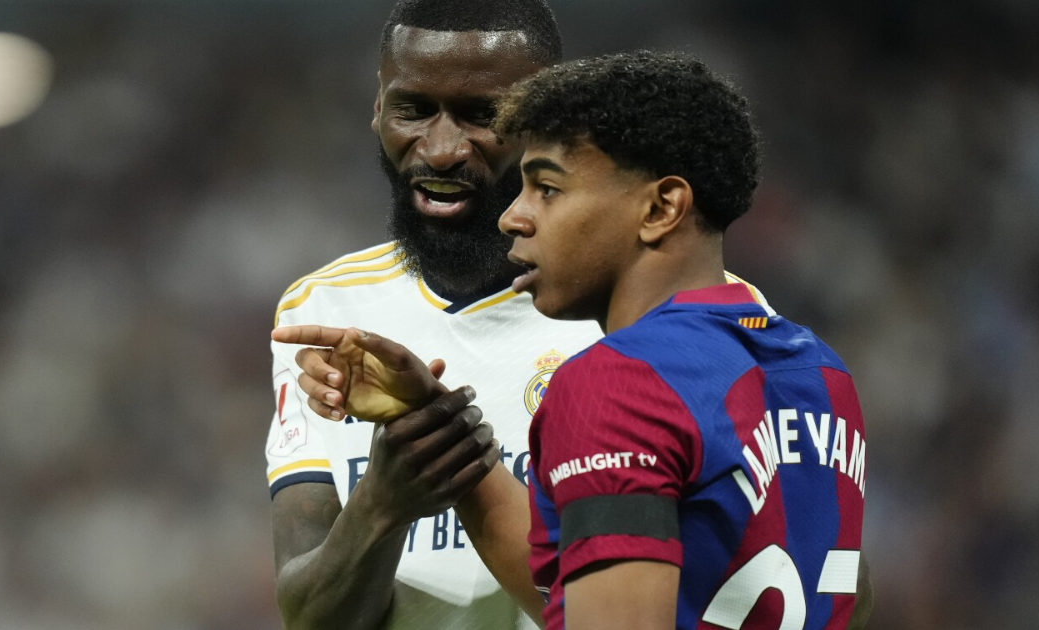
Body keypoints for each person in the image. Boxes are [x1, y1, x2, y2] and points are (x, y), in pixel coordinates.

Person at [280, 51, 872, 628]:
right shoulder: (818, 372)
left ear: (661, 208)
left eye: (547, 188)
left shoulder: (616, 382)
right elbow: (569, 585)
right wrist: (431, 414)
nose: (513, 217)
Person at [264, 1, 602, 628]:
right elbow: (312, 617)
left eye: (483, 115)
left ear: (551, 120)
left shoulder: (647, 306)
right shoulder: (323, 309)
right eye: (414, 110)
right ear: (378, 108)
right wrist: (382, 504)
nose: (442, 150)